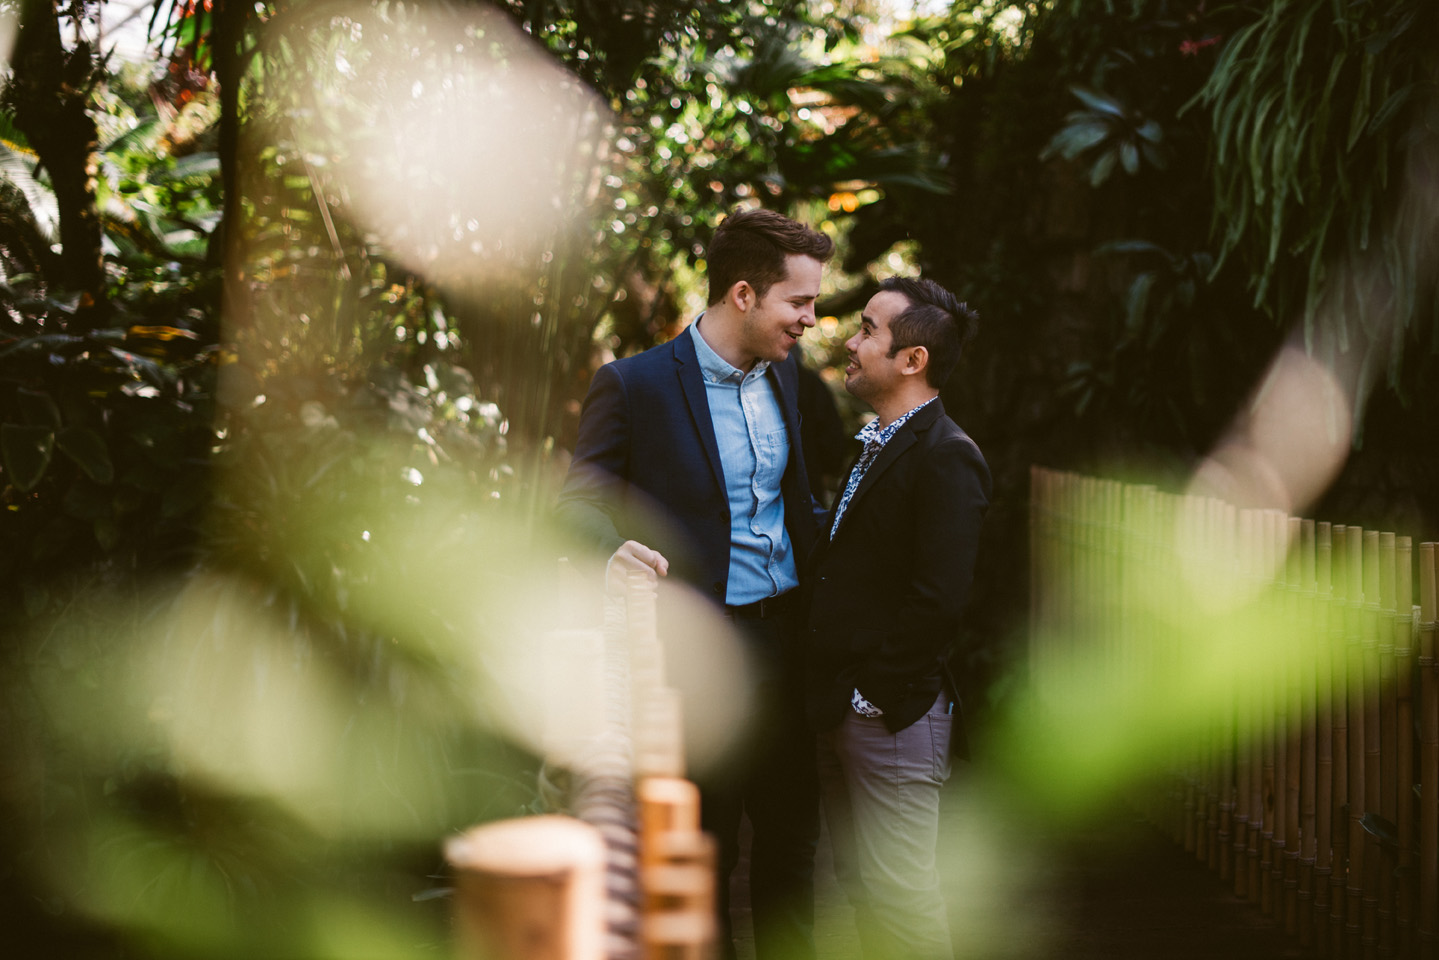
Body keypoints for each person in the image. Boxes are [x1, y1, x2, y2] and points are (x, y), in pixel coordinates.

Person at [556, 207, 834, 960]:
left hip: (785, 643)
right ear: (743, 295)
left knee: (792, 839)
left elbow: (797, 503)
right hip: (695, 656)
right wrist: (612, 549)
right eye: (799, 302)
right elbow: (577, 504)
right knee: (702, 847)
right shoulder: (633, 384)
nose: (811, 319)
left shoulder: (788, 373)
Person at [804, 276, 991, 960]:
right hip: (844, 705)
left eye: (866, 330)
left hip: (891, 716)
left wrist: (870, 697)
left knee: (903, 901)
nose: (849, 344)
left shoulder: (948, 455)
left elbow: (939, 598)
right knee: (862, 891)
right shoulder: (877, 442)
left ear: (912, 359)